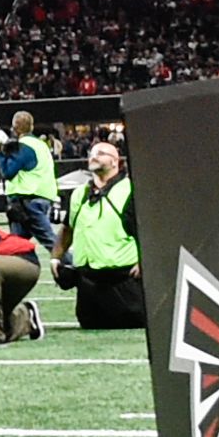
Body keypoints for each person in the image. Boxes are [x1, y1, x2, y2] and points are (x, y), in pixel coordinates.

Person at [61, 139, 143, 329]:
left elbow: (153, 230)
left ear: (115, 161)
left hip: (123, 279)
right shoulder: (79, 194)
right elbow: (68, 229)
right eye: (91, 154)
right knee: (90, 324)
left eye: (101, 153)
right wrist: (56, 259)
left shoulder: (131, 190)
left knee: (132, 322)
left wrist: (145, 262)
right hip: (89, 284)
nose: (94, 156)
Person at [0, 108, 62, 252]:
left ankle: (75, 268)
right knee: (16, 247)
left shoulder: (23, 146)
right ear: (31, 127)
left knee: (52, 244)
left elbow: (8, 172)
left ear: (15, 128)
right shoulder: (40, 145)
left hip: (27, 201)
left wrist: (0, 154)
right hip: (42, 197)